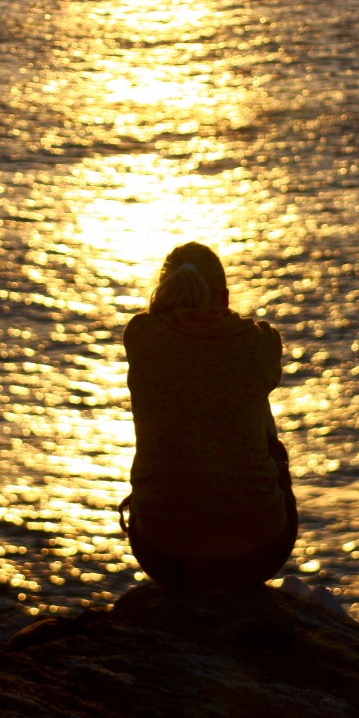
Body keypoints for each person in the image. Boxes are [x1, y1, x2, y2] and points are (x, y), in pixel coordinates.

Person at [119, 242, 298, 589]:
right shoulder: (259, 341)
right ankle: (237, 509)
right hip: (259, 550)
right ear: (225, 298)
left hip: (163, 554)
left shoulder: (140, 336)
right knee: (255, 407)